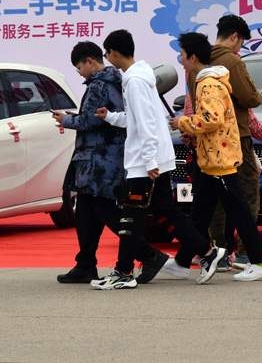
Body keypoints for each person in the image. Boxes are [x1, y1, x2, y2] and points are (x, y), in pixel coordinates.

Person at [93, 29, 224, 289]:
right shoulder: (140, 76)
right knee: (165, 210)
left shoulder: (135, 81)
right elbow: (139, 119)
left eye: (107, 54)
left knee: (130, 218)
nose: (107, 59)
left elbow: (146, 123)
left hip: (145, 163)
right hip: (154, 157)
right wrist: (111, 117)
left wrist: (149, 160)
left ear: (114, 52)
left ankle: (123, 272)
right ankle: (207, 253)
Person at [169, 32, 262, 281]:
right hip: (212, 158)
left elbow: (212, 119)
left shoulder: (208, 84)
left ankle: (260, 262)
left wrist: (183, 122)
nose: (180, 60)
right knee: (200, 212)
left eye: (182, 55)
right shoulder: (209, 80)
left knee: (238, 211)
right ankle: (182, 262)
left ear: (193, 57)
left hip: (220, 159)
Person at [52, 41, 129, 284]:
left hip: (97, 160)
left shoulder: (98, 85)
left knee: (105, 211)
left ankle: (147, 254)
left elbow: (90, 121)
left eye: (79, 68)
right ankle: (85, 264)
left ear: (90, 61)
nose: (80, 73)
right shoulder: (113, 83)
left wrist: (65, 120)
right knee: (85, 214)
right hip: (103, 158)